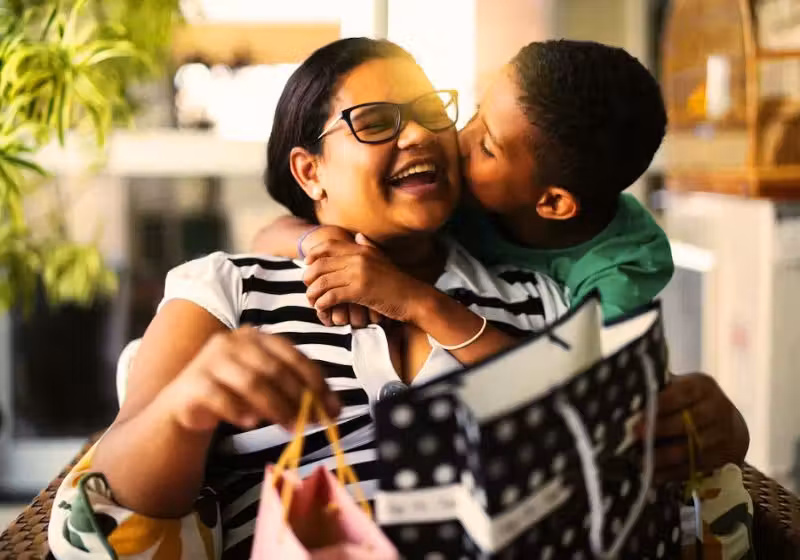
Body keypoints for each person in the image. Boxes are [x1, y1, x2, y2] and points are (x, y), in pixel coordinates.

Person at [48, 38, 567, 560]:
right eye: (376, 121)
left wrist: (416, 301)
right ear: (309, 172)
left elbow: (586, 452)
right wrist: (187, 407)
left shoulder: (537, 299)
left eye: (430, 111)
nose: (418, 134)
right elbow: (112, 506)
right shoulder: (228, 290)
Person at [252, 40, 749, 483]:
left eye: (486, 143)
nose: (450, 139)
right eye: (472, 113)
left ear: (551, 202)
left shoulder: (614, 270)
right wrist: (321, 242)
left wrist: (725, 423)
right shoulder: (466, 194)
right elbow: (271, 233)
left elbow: (592, 399)